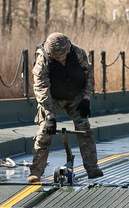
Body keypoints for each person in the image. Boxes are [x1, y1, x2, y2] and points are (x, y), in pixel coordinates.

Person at [28, 32, 104, 183]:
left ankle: (92, 167)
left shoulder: (78, 53)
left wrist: (86, 98)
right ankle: (36, 171)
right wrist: (49, 115)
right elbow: (41, 88)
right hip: (53, 98)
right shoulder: (42, 60)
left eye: (63, 55)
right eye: (57, 57)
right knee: (44, 132)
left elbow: (88, 74)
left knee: (85, 128)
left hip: (75, 96)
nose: (61, 59)